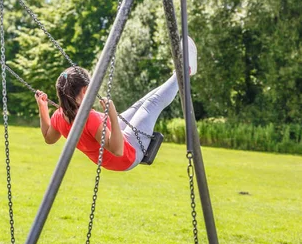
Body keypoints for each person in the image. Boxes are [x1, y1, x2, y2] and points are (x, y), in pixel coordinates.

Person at [35, 37, 197, 171]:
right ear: (85, 90)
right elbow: (117, 150)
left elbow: (49, 138)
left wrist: (43, 109)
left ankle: (177, 75)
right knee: (151, 104)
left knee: (140, 105)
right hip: (128, 155)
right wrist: (112, 114)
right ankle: (184, 71)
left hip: (115, 146)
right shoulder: (88, 118)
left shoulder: (59, 116)